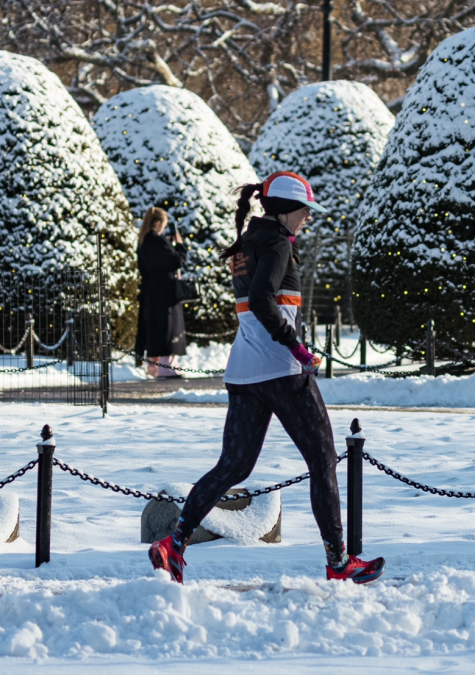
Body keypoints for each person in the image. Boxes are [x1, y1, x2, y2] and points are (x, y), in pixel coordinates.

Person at [149, 171, 384, 585]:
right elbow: (262, 299)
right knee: (323, 461)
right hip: (282, 370)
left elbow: (255, 300)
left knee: (233, 466)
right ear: (288, 210)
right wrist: (295, 347)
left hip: (244, 372)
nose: (307, 219)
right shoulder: (277, 243)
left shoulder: (249, 243)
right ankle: (338, 562)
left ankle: (174, 543)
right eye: (305, 211)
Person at [134, 207, 187, 379]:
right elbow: (176, 261)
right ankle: (167, 366)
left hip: (150, 293)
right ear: (158, 224)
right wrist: (180, 246)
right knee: (168, 329)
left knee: (154, 329)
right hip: (165, 293)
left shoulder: (143, 242)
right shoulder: (157, 241)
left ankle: (153, 366)